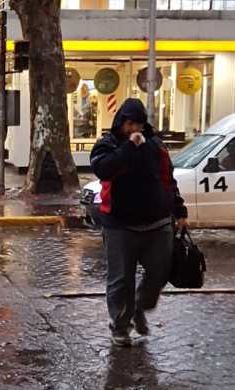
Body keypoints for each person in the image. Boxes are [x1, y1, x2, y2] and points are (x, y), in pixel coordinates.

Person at [90, 98, 188, 347]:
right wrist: (129, 148)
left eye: (139, 125)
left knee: (160, 271)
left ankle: (139, 305)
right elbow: (103, 169)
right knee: (121, 279)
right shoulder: (108, 145)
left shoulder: (155, 145)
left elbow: (168, 178)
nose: (135, 129)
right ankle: (120, 327)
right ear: (122, 122)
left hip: (158, 223)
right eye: (131, 124)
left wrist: (179, 210)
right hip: (119, 225)